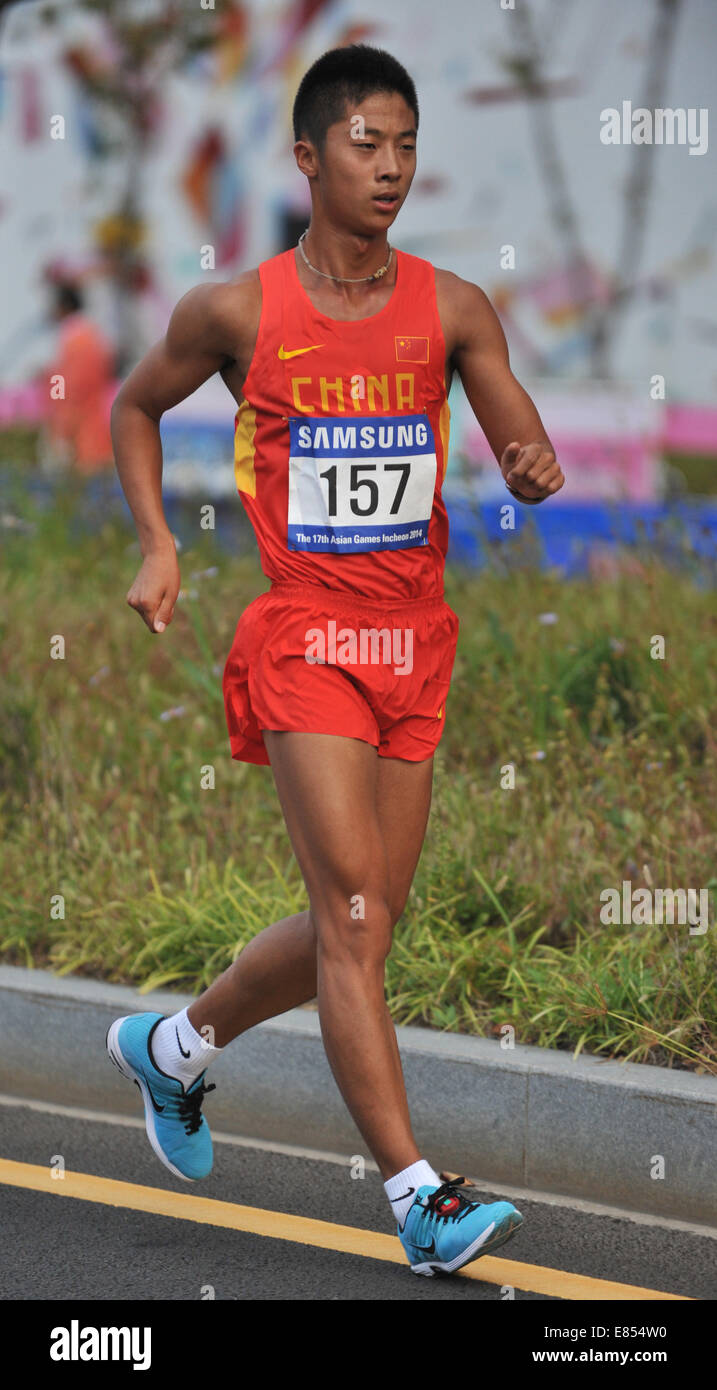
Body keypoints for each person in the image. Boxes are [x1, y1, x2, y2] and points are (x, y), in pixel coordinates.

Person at [106, 43, 564, 1279]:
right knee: (353, 911)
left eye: (408, 143)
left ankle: (176, 1050)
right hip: (305, 633)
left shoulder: (455, 304)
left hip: (416, 638)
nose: (394, 167)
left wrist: (527, 458)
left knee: (357, 924)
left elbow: (515, 421)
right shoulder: (236, 312)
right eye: (368, 144)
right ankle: (421, 1197)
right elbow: (132, 406)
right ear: (309, 157)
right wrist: (158, 542)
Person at [42, 279, 115, 476]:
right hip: (97, 420)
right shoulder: (91, 333)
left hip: (80, 426)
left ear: (63, 307)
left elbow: (66, 384)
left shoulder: (72, 337)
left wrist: (61, 422)